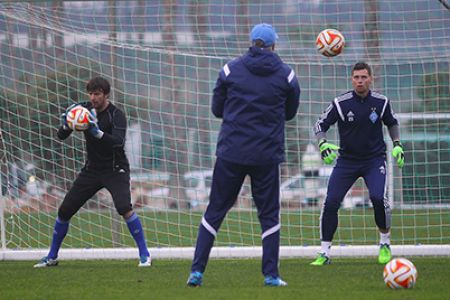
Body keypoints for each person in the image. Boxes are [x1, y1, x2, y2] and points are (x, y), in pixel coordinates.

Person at [186, 23, 300, 287]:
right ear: (273, 46)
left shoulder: (229, 70)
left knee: (215, 210)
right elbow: (290, 113)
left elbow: (217, 109)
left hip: (231, 152)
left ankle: (197, 271)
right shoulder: (286, 75)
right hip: (266, 154)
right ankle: (271, 275)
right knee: (269, 215)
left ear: (252, 43)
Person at [34, 76, 151, 268]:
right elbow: (61, 136)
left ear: (105, 95)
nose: (93, 97)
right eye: (90, 93)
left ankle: (145, 255)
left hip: (115, 169)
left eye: (97, 94)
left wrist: (97, 133)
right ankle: (52, 256)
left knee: (124, 208)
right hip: (92, 169)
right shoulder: (83, 110)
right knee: (65, 210)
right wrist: (66, 125)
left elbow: (119, 142)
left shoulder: (116, 114)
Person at [311, 62, 404, 266]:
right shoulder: (340, 103)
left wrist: (397, 144)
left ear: (370, 78)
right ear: (352, 79)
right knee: (331, 202)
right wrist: (323, 143)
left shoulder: (382, 102)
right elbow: (320, 124)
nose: (360, 81)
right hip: (347, 161)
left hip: (374, 160)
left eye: (363, 77)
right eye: (356, 77)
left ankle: (385, 243)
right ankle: (324, 253)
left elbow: (392, 123)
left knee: (378, 198)